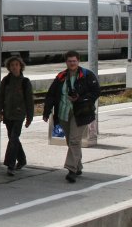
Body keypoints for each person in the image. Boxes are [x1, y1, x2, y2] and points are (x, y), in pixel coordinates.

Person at [42, 50, 100, 183]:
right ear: (66, 62)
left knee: (74, 140)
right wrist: (46, 111)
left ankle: (71, 170)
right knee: (71, 142)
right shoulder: (61, 76)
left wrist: (80, 99)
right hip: (63, 113)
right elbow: (51, 95)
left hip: (81, 114)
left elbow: (96, 92)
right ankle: (78, 166)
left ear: (78, 61)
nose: (72, 63)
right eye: (69, 61)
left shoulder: (87, 75)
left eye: (74, 61)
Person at [0, 56, 34, 176]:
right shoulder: (6, 80)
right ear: (9, 67)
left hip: (19, 114)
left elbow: (29, 101)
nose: (14, 67)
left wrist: (30, 117)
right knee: (13, 139)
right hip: (8, 114)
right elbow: (0, 97)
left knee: (13, 138)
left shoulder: (25, 82)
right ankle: (22, 160)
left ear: (20, 66)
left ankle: (10, 165)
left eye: (16, 64)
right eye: (12, 65)